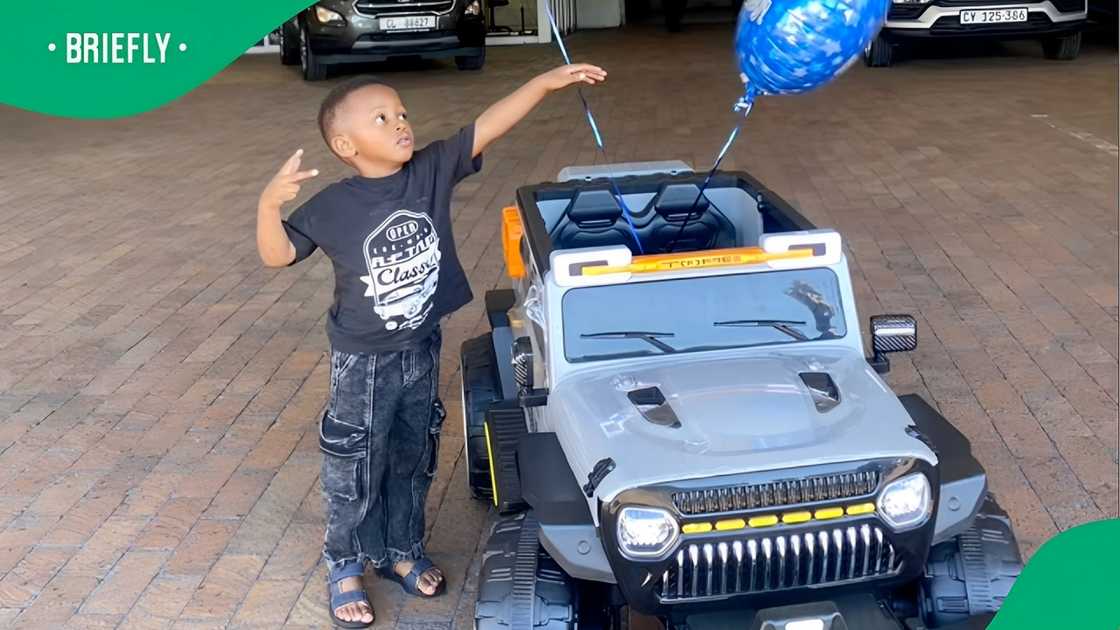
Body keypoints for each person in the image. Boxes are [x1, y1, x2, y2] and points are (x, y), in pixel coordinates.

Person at [255, 63, 606, 628]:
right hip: (362, 360)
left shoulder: (430, 171)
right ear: (346, 145)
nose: (400, 124)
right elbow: (277, 255)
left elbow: (487, 125)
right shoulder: (331, 206)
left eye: (402, 114)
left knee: (413, 453)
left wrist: (543, 83)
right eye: (382, 118)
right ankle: (344, 564)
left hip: (420, 343)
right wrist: (268, 206)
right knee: (355, 462)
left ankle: (401, 551)